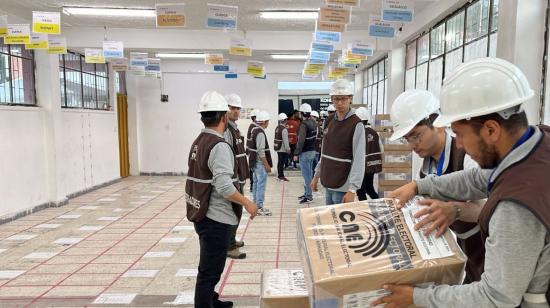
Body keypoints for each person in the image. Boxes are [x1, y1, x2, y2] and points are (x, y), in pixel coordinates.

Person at [374, 58, 550, 308]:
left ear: (491, 130)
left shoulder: (516, 206)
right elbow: (479, 178)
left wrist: (416, 297)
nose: (457, 144)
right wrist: (420, 186)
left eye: (459, 134)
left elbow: (495, 297)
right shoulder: (538, 141)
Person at [389, 89, 484, 283]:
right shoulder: (424, 168)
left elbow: (489, 209)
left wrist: (455, 210)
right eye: (407, 139)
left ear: (438, 125)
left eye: (415, 136)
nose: (412, 145)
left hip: (485, 250)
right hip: (458, 251)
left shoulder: (468, 156)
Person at [185, 91, 257, 308]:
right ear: (224, 117)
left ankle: (211, 301)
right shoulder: (219, 146)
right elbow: (225, 186)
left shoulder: (199, 140)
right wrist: (247, 202)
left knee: (211, 266)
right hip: (215, 217)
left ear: (202, 117)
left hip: (202, 213)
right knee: (209, 271)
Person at [311, 79, 366, 205]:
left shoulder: (356, 124)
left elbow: (359, 159)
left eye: (344, 99)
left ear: (350, 98)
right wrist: (316, 176)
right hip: (328, 181)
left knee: (340, 223)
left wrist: (352, 189)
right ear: (332, 99)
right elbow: (324, 152)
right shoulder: (329, 120)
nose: (340, 103)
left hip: (343, 185)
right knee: (329, 222)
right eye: (336, 99)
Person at [223, 94, 249, 260]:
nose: (235, 111)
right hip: (232, 179)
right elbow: (226, 156)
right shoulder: (226, 130)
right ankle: (229, 246)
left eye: (238, 108)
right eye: (232, 108)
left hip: (238, 177)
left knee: (236, 212)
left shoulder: (235, 128)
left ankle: (231, 240)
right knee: (233, 212)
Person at [248, 110, 273, 216]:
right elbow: (261, 151)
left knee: (256, 184)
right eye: (268, 121)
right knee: (261, 185)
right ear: (264, 122)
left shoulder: (254, 130)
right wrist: (266, 165)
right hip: (259, 164)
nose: (268, 123)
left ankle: (255, 205)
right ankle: (259, 207)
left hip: (254, 163)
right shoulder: (260, 133)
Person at [355, 107, 382, 200]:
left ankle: (364, 209)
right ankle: (379, 204)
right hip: (372, 165)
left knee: (360, 190)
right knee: (370, 188)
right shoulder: (375, 133)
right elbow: (381, 149)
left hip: (361, 166)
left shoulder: (358, 133)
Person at [294, 103, 318, 204]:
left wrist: (296, 153)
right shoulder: (313, 122)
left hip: (305, 152)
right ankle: (307, 193)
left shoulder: (304, 124)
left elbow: (301, 140)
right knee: (309, 174)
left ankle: (308, 196)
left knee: (306, 175)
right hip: (312, 151)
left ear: (302, 113)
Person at [246, 109, 260, 192]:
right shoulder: (253, 127)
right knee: (252, 169)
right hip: (252, 152)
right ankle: (252, 186)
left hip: (251, 151)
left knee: (253, 168)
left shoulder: (253, 126)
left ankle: (253, 186)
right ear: (254, 118)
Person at [274, 113, 291, 182]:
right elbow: (285, 140)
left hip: (278, 147)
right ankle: (281, 176)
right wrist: (288, 149)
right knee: (282, 163)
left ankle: (279, 175)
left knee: (280, 162)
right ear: (285, 120)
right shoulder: (284, 129)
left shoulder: (277, 128)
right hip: (283, 149)